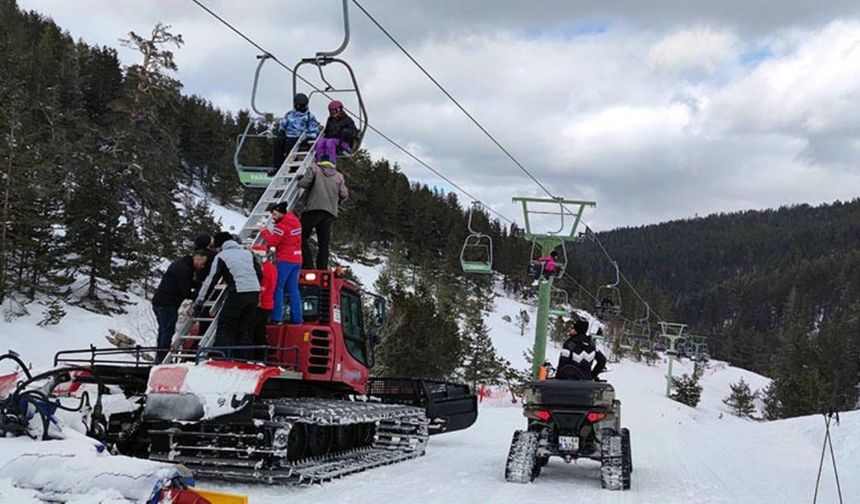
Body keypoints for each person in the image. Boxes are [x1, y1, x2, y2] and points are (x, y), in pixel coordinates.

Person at [193, 233, 262, 360]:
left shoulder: (222, 256)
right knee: (245, 326)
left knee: (226, 324)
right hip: (254, 292)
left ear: (219, 245)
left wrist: (200, 301)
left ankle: (221, 356)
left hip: (238, 291)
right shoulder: (247, 253)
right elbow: (259, 272)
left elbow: (211, 280)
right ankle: (243, 358)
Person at [152, 250, 209, 362]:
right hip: (168, 303)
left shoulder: (180, 264)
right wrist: (199, 296)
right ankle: (163, 358)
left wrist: (197, 285)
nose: (202, 267)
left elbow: (184, 283)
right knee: (167, 331)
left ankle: (160, 358)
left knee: (163, 331)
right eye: (202, 263)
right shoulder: (185, 269)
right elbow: (185, 290)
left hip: (160, 301)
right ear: (197, 259)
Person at [298, 160, 349, 270]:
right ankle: (322, 268)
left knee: (299, 236)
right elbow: (344, 194)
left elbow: (303, 183)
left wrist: (301, 178)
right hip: (329, 212)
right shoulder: (339, 176)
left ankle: (307, 264)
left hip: (314, 208)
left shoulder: (314, 169)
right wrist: (337, 201)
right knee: (323, 243)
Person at [259, 202, 303, 324]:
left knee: (278, 287)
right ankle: (297, 319)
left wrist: (264, 232)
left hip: (285, 260)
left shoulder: (281, 227)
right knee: (293, 289)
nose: (273, 217)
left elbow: (272, 241)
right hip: (297, 259)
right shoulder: (295, 220)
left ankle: (277, 317)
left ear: (280, 212)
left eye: (274, 214)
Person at [271, 93, 320, 175]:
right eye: (301, 106)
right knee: (277, 142)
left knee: (289, 144)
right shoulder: (290, 115)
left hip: (300, 137)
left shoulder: (309, 116)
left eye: (304, 106)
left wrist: (309, 137)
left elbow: (313, 130)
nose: (303, 108)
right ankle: (277, 166)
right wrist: (281, 132)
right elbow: (283, 125)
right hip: (288, 135)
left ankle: (293, 166)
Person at [251, 245, 277, 361]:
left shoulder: (263, 269)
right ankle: (261, 356)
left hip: (261, 304)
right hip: (267, 304)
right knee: (259, 330)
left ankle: (257, 356)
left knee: (255, 331)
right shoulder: (271, 268)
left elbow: (263, 287)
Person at [314, 100, 358, 164]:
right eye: (331, 111)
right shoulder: (330, 120)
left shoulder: (347, 120)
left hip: (344, 143)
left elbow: (353, 132)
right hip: (333, 141)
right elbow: (327, 133)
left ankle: (331, 161)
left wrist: (344, 132)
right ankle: (320, 159)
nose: (333, 113)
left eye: (335, 110)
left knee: (330, 142)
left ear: (340, 110)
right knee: (320, 142)